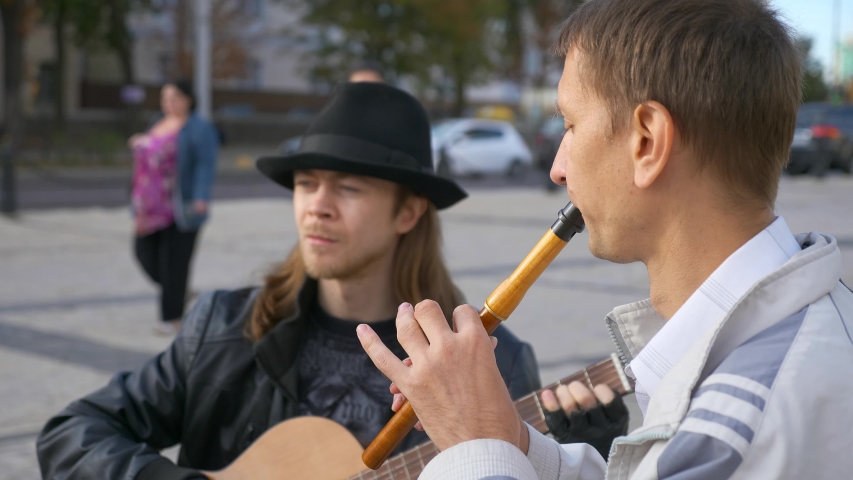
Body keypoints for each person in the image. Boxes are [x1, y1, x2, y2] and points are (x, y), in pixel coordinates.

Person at [357, 0, 853, 479]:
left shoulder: (743, 425)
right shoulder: (787, 342)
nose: (557, 169)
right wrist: (510, 441)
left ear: (647, 142)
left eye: (570, 125)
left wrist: (474, 442)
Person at [37, 83, 548, 480]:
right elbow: (71, 432)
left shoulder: (494, 363)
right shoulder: (224, 326)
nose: (316, 207)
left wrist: (578, 442)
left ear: (408, 212)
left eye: (347, 187)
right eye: (306, 184)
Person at [128, 79, 219, 335]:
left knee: (174, 263)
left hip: (181, 205)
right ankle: (178, 291)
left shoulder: (199, 128)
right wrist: (139, 142)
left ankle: (171, 319)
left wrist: (201, 197)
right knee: (143, 253)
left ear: (188, 99)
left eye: (174, 97)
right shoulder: (157, 121)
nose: (169, 103)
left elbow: (205, 164)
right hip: (150, 205)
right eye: (165, 97)